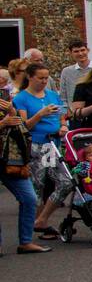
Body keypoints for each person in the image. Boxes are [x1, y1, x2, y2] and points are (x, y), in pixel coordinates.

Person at [13, 64, 68, 242]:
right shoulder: (22, 98)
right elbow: (23, 126)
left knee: (66, 182)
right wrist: (40, 114)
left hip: (53, 144)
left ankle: (41, 219)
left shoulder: (52, 95)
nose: (44, 81)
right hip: (35, 144)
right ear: (30, 77)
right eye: (41, 78)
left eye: (46, 78)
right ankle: (33, 227)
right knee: (37, 186)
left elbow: (62, 116)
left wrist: (63, 126)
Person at [0, 89, 46, 255]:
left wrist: (12, 112)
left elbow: (23, 131)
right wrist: (3, 123)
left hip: (12, 160)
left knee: (29, 198)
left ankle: (25, 242)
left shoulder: (5, 100)